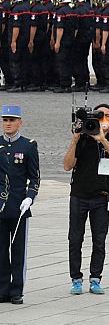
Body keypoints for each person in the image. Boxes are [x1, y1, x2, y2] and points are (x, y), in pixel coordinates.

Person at [63, 103, 109, 295]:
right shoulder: (82, 139)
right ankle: (76, 279)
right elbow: (67, 165)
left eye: (107, 116)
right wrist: (74, 140)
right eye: (99, 115)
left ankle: (95, 278)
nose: (103, 119)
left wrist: (102, 139)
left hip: (101, 197)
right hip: (78, 195)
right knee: (75, 239)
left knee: (99, 239)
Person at [0, 105, 39, 305]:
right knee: (0, 252)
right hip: (0, 207)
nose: (8, 124)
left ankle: (17, 290)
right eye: (5, 120)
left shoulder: (28, 146)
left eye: (12, 120)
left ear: (19, 122)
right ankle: (2, 289)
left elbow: (34, 177)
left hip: (19, 207)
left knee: (18, 252)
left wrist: (30, 197)